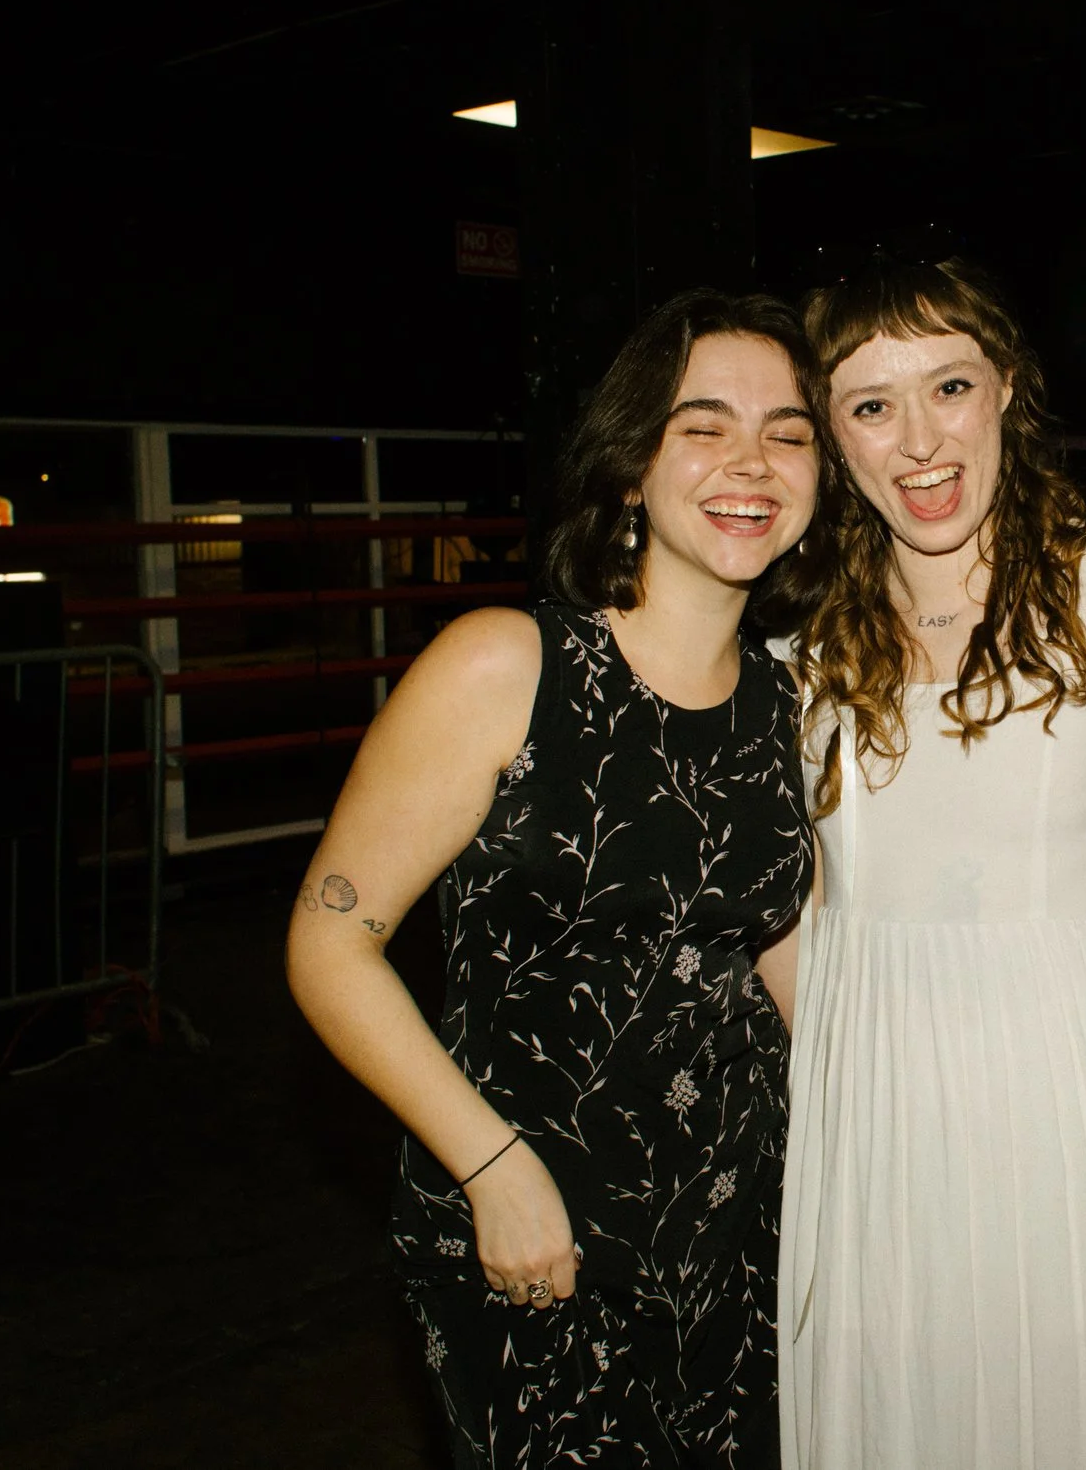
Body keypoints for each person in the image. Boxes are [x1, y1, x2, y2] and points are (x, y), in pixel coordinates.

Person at [286, 289, 827, 1469]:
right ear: (631, 463)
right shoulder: (505, 663)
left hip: (745, 1235)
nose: (752, 461)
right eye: (704, 424)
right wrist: (488, 1166)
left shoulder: (789, 700)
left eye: (788, 431)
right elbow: (329, 943)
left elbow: (795, 969)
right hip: (533, 1233)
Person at [777, 256, 1086, 1470]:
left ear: (1007, 392)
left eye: (949, 385)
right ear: (829, 434)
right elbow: (795, 905)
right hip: (876, 1132)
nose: (919, 440)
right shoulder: (803, 633)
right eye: (871, 405)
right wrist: (845, 1063)